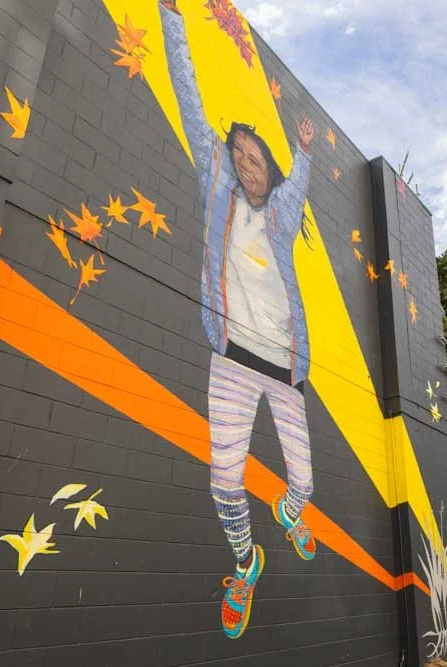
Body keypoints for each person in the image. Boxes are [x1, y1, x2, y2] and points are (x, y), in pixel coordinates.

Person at [159, 0, 317, 640]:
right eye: (240, 156)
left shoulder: (279, 214)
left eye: (257, 158)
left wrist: (302, 154)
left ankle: (289, 512)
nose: (248, 165)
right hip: (231, 359)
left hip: (283, 369)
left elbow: (298, 186)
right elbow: (190, 99)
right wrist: (173, 21)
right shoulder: (216, 186)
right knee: (223, 478)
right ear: (227, 161)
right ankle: (245, 564)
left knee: (302, 482)